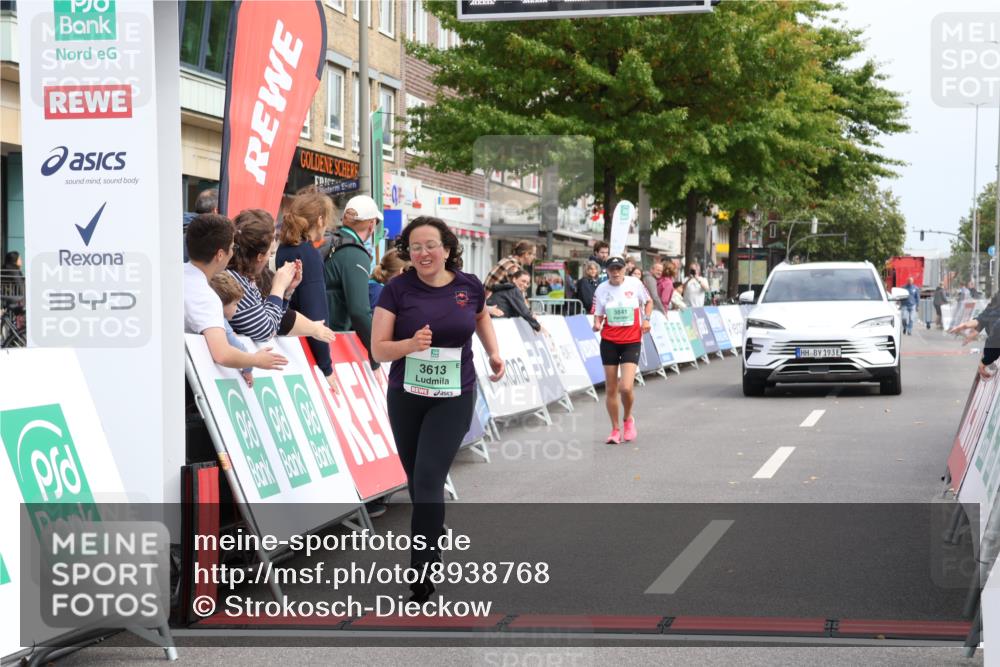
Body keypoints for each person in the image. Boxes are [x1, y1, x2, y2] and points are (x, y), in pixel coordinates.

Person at [371, 216, 504, 602]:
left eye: (430, 245)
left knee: (429, 478)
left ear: (447, 248)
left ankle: (422, 568)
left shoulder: (468, 286)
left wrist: (494, 352)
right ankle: (432, 531)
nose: (423, 253)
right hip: (407, 396)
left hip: (454, 395)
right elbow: (378, 348)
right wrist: (408, 345)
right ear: (407, 252)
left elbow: (479, 316)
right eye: (415, 247)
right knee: (417, 482)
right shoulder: (397, 289)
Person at [226, 209, 336, 361]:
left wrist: (286, 292)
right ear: (259, 257)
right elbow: (266, 330)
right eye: (270, 254)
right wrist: (278, 288)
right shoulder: (233, 282)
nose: (268, 259)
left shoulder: (244, 278)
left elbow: (273, 318)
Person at [183, 213, 287, 371]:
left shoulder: (176, 274)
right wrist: (256, 360)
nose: (232, 253)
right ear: (220, 255)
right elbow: (222, 353)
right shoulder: (205, 296)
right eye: (232, 248)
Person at [277, 191, 343, 388]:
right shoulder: (308, 254)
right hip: (303, 348)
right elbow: (316, 315)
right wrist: (327, 367)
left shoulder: (285, 249)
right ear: (321, 220)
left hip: (285, 341)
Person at [591, 255, 653, 445]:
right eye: (612, 269)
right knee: (611, 389)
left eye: (619, 268)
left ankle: (628, 419)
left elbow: (649, 301)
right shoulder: (601, 289)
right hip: (609, 340)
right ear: (607, 271)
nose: (616, 272)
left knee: (625, 387)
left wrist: (646, 319)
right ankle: (615, 429)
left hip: (631, 340)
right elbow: (597, 313)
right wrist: (597, 323)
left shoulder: (635, 284)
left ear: (624, 269)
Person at [324, 194, 382, 369]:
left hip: (314, 337)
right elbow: (359, 311)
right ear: (371, 224)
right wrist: (376, 355)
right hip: (334, 341)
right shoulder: (355, 252)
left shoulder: (328, 239)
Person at [210, 272, 254, 388]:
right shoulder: (219, 320)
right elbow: (238, 347)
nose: (237, 308)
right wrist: (248, 369)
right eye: (235, 304)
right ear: (220, 304)